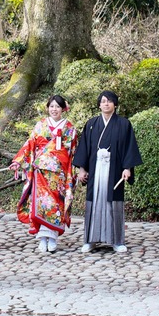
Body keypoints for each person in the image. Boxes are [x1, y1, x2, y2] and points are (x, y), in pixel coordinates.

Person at [72, 90, 141, 254]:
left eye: (109, 101)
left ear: (115, 104)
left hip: (115, 168)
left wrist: (127, 168)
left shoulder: (124, 124)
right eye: (103, 101)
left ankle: (117, 240)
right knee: (94, 202)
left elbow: (128, 148)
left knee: (114, 203)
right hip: (95, 169)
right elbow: (84, 148)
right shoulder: (91, 124)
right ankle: (90, 240)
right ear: (99, 104)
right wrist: (82, 169)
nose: (106, 104)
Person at [10, 95, 78, 254]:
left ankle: (53, 238)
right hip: (40, 171)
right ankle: (42, 238)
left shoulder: (69, 127)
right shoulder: (40, 125)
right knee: (41, 203)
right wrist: (18, 161)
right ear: (48, 108)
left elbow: (72, 151)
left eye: (58, 107)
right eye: (52, 106)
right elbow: (30, 144)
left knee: (56, 204)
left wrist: (72, 169)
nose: (54, 109)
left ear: (63, 109)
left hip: (59, 173)